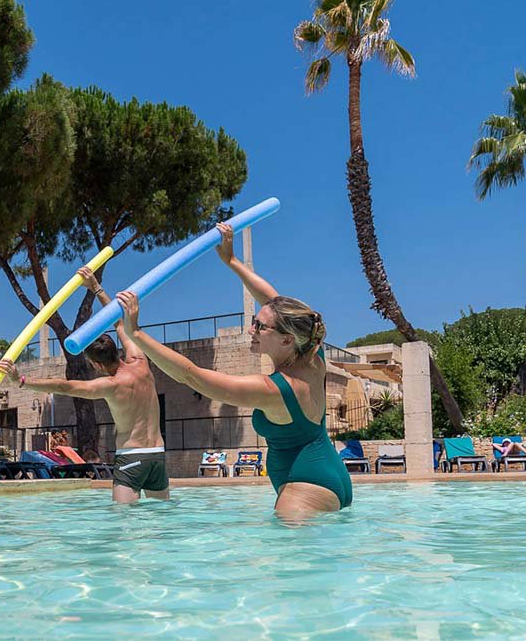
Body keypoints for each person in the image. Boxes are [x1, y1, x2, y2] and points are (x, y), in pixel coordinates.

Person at [114, 223, 351, 521]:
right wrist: (231, 260)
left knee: (286, 554)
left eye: (259, 326)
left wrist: (136, 333)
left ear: (286, 340)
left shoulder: (274, 389)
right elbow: (273, 302)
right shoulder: (313, 352)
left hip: (305, 489)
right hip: (330, 474)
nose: (251, 329)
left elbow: (191, 375)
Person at [0, 267, 168, 504]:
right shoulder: (140, 361)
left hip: (132, 457)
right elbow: (119, 321)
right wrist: (96, 287)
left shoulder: (110, 385)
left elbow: (64, 387)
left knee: (124, 521)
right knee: (161, 515)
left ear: (96, 365)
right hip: (157, 455)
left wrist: (22, 381)